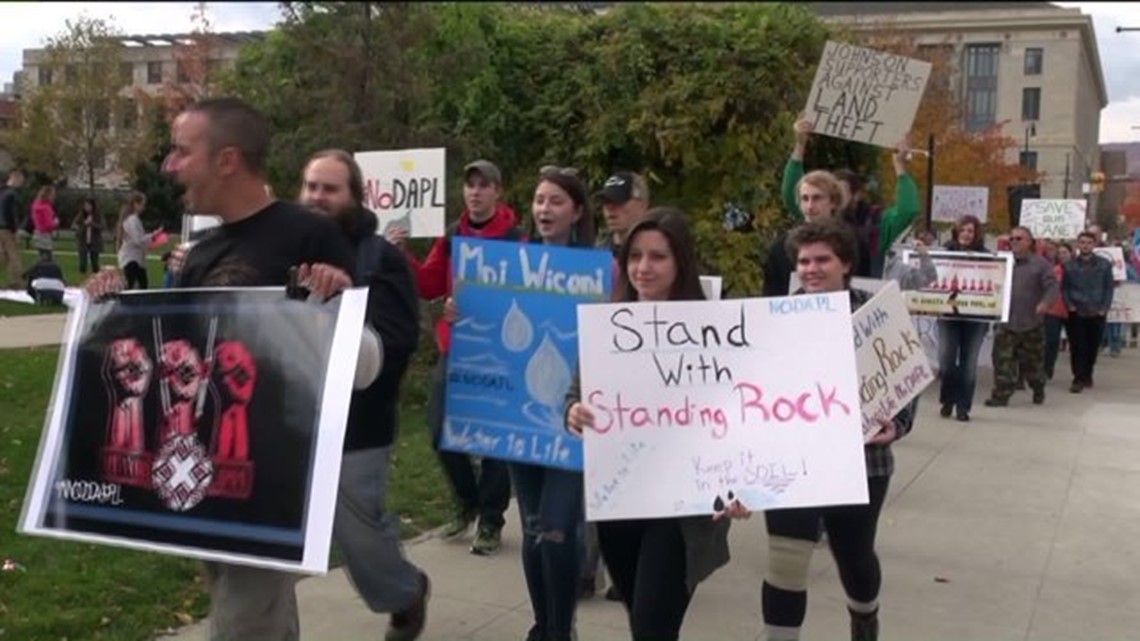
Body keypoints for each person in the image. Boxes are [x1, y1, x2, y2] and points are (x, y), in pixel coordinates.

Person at [84, 96, 365, 641]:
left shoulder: (310, 236)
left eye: (181, 151)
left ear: (227, 159)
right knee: (249, 615)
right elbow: (166, 350)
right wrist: (106, 308)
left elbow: (362, 358)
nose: (170, 165)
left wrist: (336, 310)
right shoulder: (201, 252)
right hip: (202, 467)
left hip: (274, 471)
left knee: (243, 623)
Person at [739, 218, 915, 641]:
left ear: (846, 264)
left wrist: (898, 425)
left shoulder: (876, 317)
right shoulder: (773, 319)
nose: (812, 268)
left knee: (853, 557)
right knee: (785, 561)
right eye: (804, 261)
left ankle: (864, 614)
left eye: (822, 259)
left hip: (862, 463)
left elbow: (905, 380)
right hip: (792, 462)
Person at [565, 207, 733, 641]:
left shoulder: (715, 331)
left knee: (654, 627)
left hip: (685, 509)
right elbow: (574, 395)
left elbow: (740, 418)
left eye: (657, 256)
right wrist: (573, 413)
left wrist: (740, 487)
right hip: (621, 498)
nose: (643, 267)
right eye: (635, 255)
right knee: (643, 623)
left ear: (681, 262)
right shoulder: (608, 323)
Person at [445, 165, 596, 641]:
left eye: (556, 201)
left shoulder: (600, 268)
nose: (544, 209)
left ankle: (561, 627)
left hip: (572, 421)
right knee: (533, 528)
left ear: (576, 211)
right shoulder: (510, 262)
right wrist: (460, 310)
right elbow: (487, 328)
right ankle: (546, 627)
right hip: (519, 419)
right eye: (539, 200)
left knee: (557, 528)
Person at [298, 149, 431, 641]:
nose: (318, 197)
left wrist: (342, 306)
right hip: (287, 421)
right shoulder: (282, 252)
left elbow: (399, 338)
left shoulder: (381, 258)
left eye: (330, 188)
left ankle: (404, 593)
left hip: (358, 425)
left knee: (358, 534)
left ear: (355, 196)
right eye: (311, 186)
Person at [388, 159, 520, 555]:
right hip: (457, 348)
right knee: (439, 429)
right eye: (470, 186)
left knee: (495, 440)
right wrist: (402, 254)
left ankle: (491, 521)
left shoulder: (516, 239)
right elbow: (429, 285)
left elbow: (528, 298)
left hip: (499, 351)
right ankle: (468, 502)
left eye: (484, 185)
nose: (475, 192)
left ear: (498, 192)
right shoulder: (451, 236)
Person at [778, 116, 919, 280]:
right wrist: (800, 144)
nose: (811, 205)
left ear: (855, 195)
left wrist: (899, 165)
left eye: (840, 193)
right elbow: (790, 194)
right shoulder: (810, 220)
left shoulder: (874, 225)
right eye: (807, 199)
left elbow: (908, 210)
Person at [983, 227, 1058, 408]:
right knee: (1002, 361)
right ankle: (1001, 394)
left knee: (1032, 364)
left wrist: (1045, 303)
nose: (1015, 241)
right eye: (1012, 238)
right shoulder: (1003, 261)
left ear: (1029, 242)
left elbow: (1052, 287)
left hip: (1031, 322)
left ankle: (1038, 386)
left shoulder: (1041, 264)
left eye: (1019, 238)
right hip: (1006, 322)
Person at [937, 215, 989, 422]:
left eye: (971, 231)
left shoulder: (986, 256)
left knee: (969, 363)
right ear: (956, 232)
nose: (966, 234)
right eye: (963, 230)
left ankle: (963, 406)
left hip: (975, 317)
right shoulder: (945, 251)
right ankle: (948, 399)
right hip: (949, 314)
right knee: (947, 360)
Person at [1062, 231, 1115, 393]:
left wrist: (1104, 308)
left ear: (1094, 245)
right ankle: (1078, 377)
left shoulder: (1104, 265)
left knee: (1092, 346)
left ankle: (1088, 374)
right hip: (1076, 310)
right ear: (1078, 245)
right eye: (1082, 242)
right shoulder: (1069, 265)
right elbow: (1064, 287)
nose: (1085, 245)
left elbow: (1109, 288)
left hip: (1096, 310)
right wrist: (1070, 304)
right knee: (1077, 346)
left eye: (1088, 243)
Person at [596, 171, 650, 256]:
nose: (610, 208)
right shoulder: (595, 252)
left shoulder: (658, 249)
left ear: (642, 206)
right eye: (605, 201)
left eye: (619, 201)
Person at [115, 192, 162, 290]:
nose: (143, 208)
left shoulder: (133, 219)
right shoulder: (132, 220)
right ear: (136, 204)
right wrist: (153, 235)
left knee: (141, 284)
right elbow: (138, 240)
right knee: (134, 286)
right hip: (131, 259)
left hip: (136, 259)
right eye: (142, 205)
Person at [1043, 243, 1073, 380]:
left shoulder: (1077, 270)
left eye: (1065, 252)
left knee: (1076, 343)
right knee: (1051, 342)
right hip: (1054, 310)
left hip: (1073, 310)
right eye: (1060, 253)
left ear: (1071, 253)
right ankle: (1047, 369)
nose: (1062, 255)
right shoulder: (1054, 270)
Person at [0, 169, 25, 288]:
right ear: (15, 178)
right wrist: (15, 230)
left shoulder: (2, 191)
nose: (21, 184)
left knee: (3, 256)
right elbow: (11, 213)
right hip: (7, 228)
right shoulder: (11, 194)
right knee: (13, 255)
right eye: (20, 181)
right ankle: (16, 281)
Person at [74, 197, 105, 275]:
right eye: (85, 205)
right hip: (83, 241)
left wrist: (92, 224)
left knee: (95, 263)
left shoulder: (98, 215)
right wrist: (84, 224)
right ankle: (82, 276)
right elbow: (74, 226)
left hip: (94, 242)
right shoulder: (81, 215)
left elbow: (103, 226)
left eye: (88, 205)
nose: (86, 207)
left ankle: (96, 279)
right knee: (82, 264)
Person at [31, 185, 59, 261]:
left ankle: (40, 271)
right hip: (45, 235)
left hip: (37, 233)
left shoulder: (35, 205)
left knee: (42, 256)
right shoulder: (46, 207)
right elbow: (48, 224)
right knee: (48, 258)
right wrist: (55, 222)